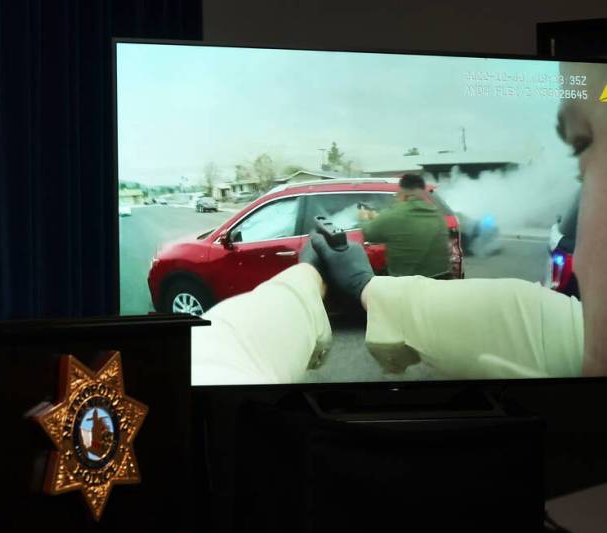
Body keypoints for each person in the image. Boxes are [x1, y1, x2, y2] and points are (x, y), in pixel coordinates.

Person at [193, 60, 606, 384]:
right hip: (439, 281)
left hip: (409, 283)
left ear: (404, 193)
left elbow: (214, 360)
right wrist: (370, 288)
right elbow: (542, 323)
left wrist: (311, 277)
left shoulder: (395, 217)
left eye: (582, 148)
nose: (579, 257)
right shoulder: (441, 213)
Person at [358, 173, 452, 278]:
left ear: (402, 192)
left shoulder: (394, 215)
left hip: (407, 284)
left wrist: (364, 219)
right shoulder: (437, 215)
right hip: (441, 280)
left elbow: (368, 234)